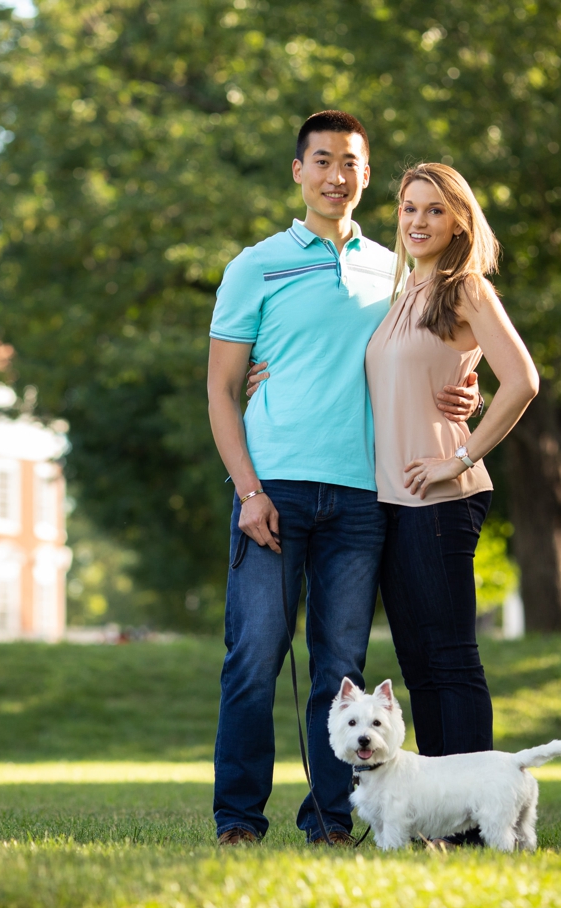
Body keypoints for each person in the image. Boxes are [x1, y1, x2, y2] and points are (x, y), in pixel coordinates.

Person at [203, 111, 478, 847]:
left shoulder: (395, 270)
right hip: (275, 492)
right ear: (299, 171)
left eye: (351, 163)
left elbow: (425, 359)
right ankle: (238, 819)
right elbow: (220, 392)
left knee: (341, 673)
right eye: (322, 161)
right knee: (254, 661)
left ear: (365, 175)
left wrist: (465, 391)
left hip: (363, 498)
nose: (337, 176)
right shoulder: (254, 265)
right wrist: (249, 492)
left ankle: (329, 821)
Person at [368, 163, 536, 792]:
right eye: (409, 208)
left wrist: (459, 459)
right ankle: (440, 817)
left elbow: (522, 380)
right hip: (390, 501)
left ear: (459, 220)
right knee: (418, 666)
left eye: (434, 210)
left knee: (451, 661)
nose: (418, 221)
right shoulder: (404, 290)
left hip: (441, 500)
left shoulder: (465, 287)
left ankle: (473, 813)